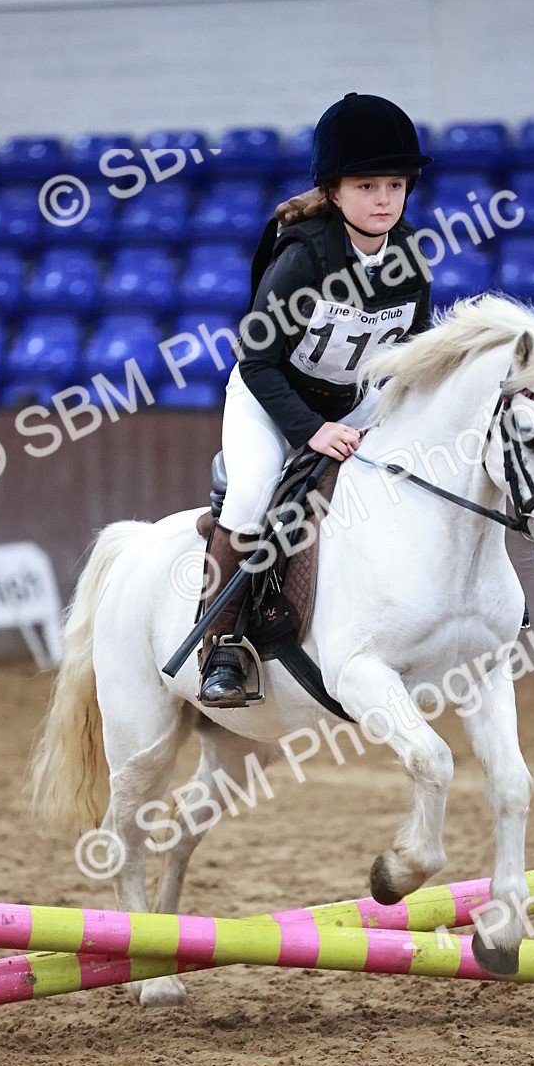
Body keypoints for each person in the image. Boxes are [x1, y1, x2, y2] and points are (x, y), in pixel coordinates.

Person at [199, 92, 433, 706]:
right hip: (267, 399)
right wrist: (309, 432)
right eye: (366, 186)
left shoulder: (409, 260)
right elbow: (256, 360)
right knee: (252, 495)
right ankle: (219, 647)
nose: (383, 200)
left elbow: (414, 356)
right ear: (333, 192)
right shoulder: (303, 256)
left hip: (352, 399)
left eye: (394, 185)